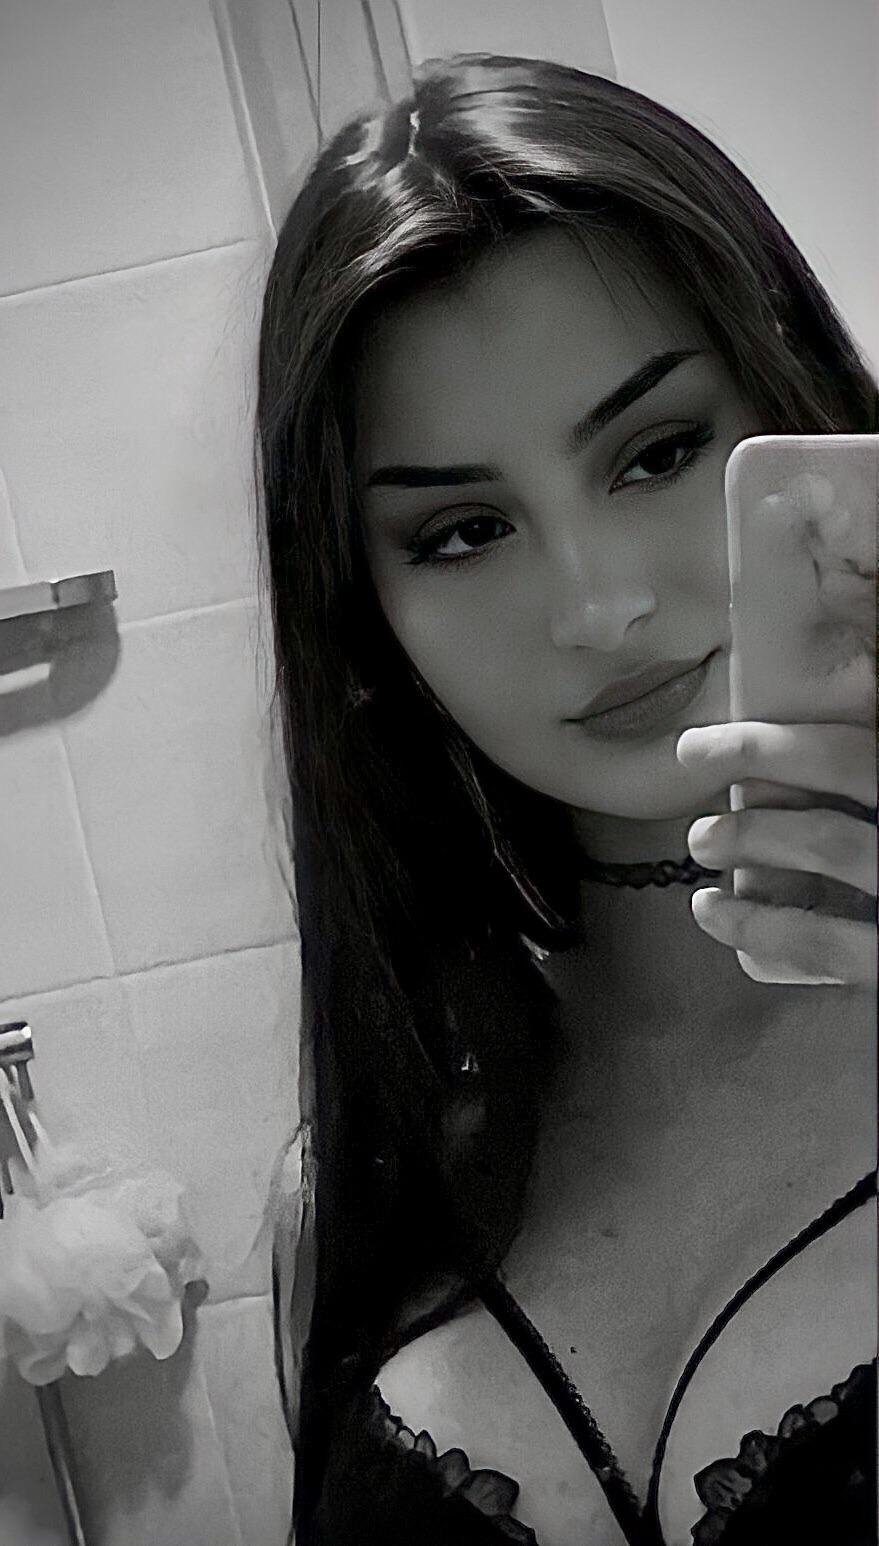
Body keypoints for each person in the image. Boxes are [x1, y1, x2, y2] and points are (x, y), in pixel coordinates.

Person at [254, 53, 878, 1546]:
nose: (599, 607)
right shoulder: (353, 1188)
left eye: (657, 453)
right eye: (463, 532)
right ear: (366, 619)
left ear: (798, 407)